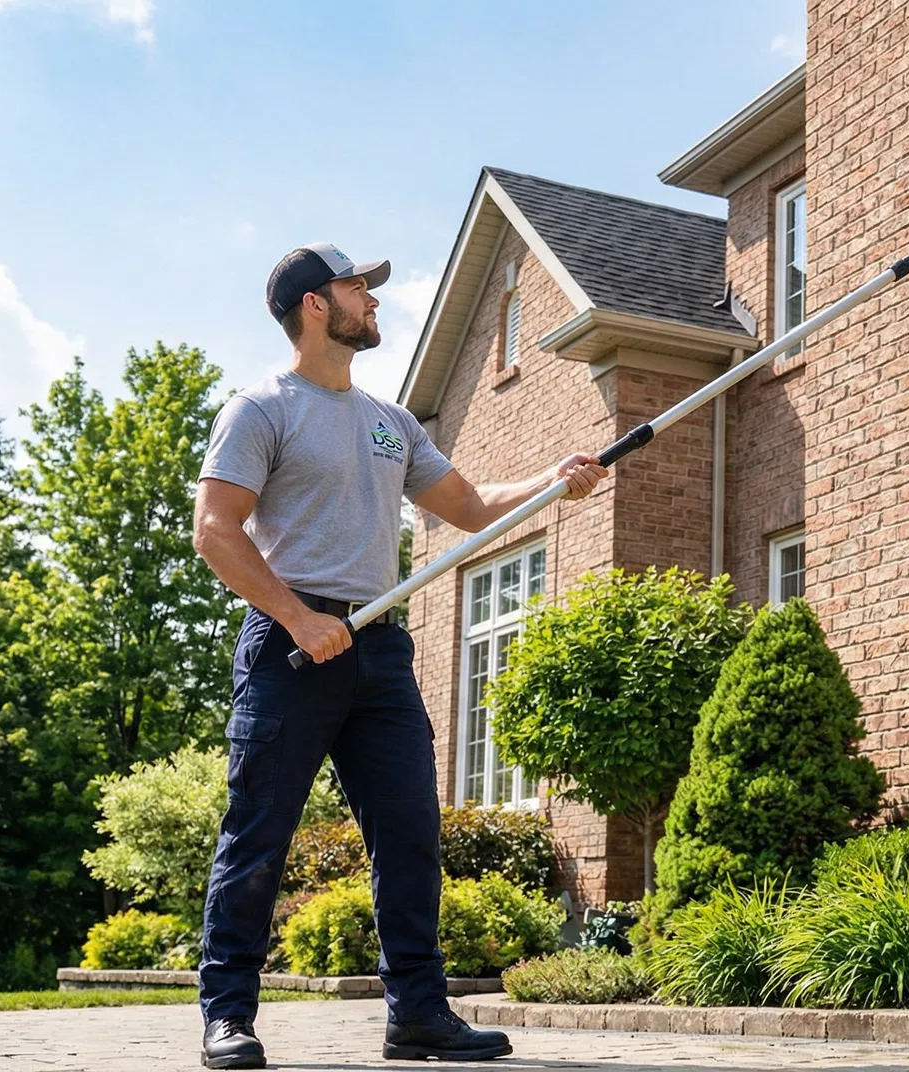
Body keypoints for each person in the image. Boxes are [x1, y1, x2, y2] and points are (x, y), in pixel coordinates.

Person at [190, 242, 606, 1069]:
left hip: (380, 650)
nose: (373, 299)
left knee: (411, 836)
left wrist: (553, 479)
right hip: (289, 649)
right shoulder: (261, 409)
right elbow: (215, 532)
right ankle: (227, 1016)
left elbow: (470, 505)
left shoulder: (391, 422)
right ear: (315, 304)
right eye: (357, 287)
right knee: (257, 835)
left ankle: (417, 1013)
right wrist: (297, 618)